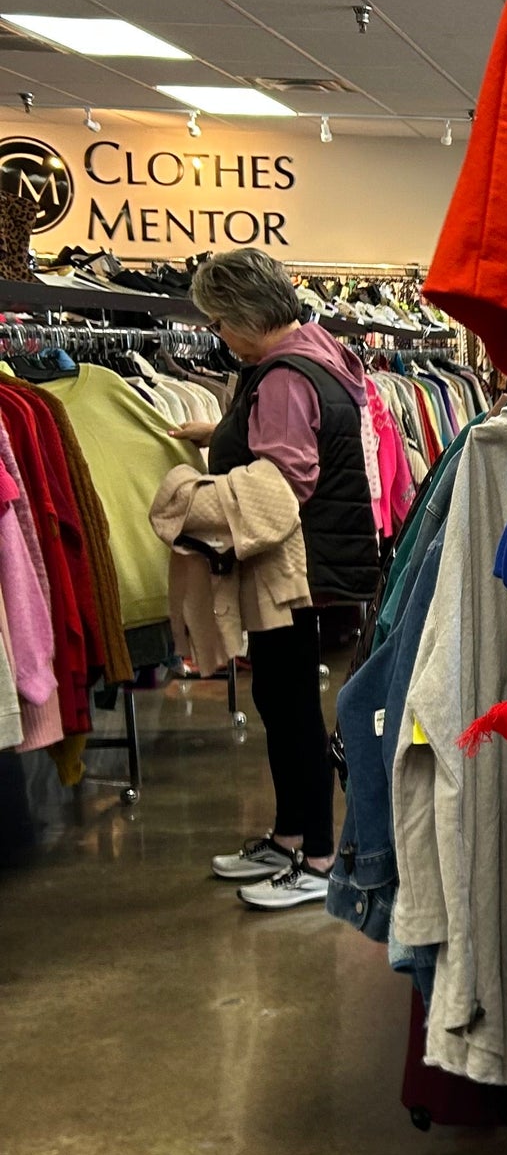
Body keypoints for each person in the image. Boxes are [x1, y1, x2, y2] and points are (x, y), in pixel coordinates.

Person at [171, 249, 380, 909]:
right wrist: (223, 430)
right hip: (304, 562)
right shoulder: (313, 357)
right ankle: (290, 837)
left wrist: (193, 497)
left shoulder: (285, 376)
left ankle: (317, 857)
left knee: (290, 707)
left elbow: (284, 483)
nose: (218, 335)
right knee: (280, 699)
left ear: (242, 313)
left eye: (218, 321)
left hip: (292, 566)